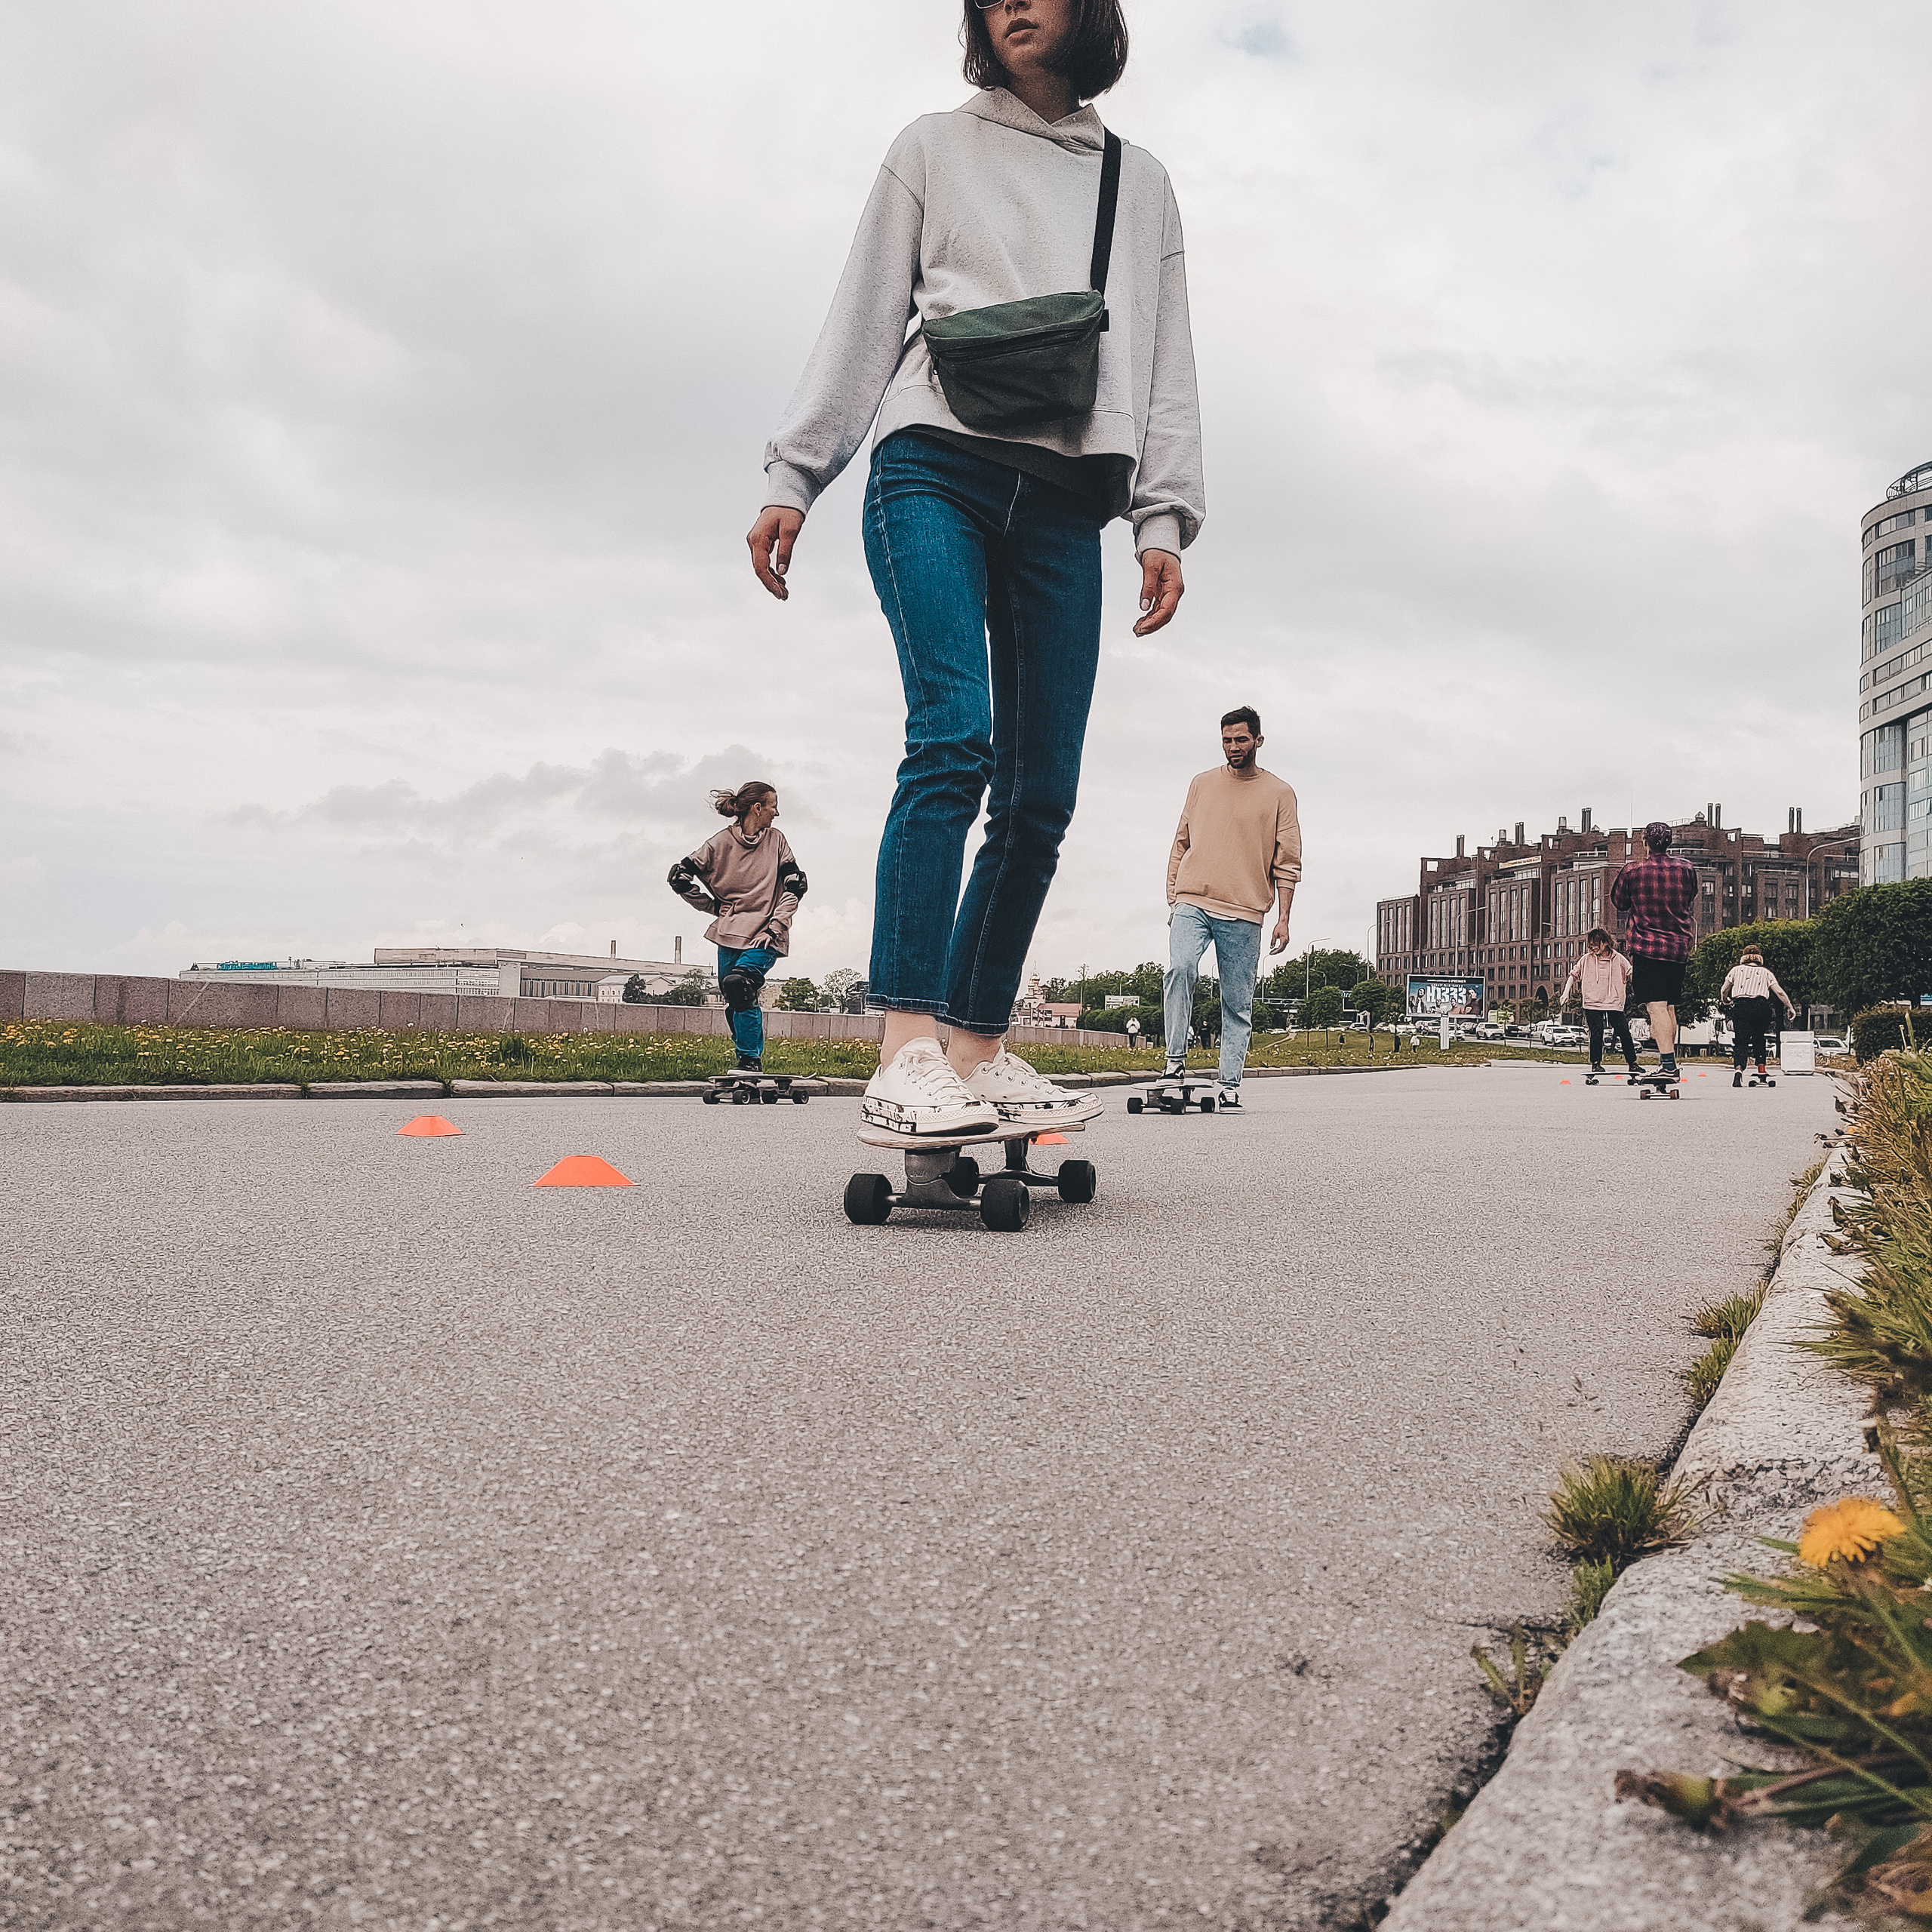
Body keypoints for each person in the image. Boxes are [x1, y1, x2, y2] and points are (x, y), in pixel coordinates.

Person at [747, 0, 1202, 1135]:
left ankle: (976, 1042)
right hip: (931, 469)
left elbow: (1165, 356)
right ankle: (905, 1045)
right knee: (952, 738)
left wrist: (1163, 519)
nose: (1011, 2)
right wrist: (794, 475)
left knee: (1041, 793)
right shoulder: (932, 147)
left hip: (1063, 499)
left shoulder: (1136, 184)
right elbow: (862, 315)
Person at [1161, 707, 1301, 1109]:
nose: (1233, 747)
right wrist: (1174, 894)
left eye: (1241, 739)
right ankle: (1174, 1061)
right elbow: (1181, 840)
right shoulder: (1202, 784)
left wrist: (1284, 918)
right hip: (1193, 899)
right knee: (1179, 968)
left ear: (1258, 740)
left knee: (1237, 999)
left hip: (1244, 910)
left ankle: (1229, 1082)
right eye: (1227, 740)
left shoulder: (1280, 793)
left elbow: (1287, 860)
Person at [667, 783, 808, 1074]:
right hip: (730, 933)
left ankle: (750, 1061)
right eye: (773, 806)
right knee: (735, 999)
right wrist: (712, 907)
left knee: (739, 984)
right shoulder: (720, 843)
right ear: (758, 808)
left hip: (767, 934)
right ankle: (745, 1057)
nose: (776, 813)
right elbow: (679, 877)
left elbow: (796, 887)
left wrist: (775, 927)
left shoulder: (776, 841)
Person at [1608, 820, 1698, 1082]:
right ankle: (1668, 1062)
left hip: (1648, 947)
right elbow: (1690, 896)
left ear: (1645, 843)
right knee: (1670, 1008)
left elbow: (1620, 902)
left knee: (1656, 1007)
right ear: (1669, 843)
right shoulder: (1686, 869)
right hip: (1679, 947)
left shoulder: (1633, 871)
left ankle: (1668, 1066)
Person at [1556, 927, 1638, 1078]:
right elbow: (1573, 975)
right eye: (1590, 944)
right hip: (1592, 1002)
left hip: (1614, 1001)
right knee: (1596, 1032)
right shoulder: (1586, 959)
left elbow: (1631, 973)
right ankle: (1596, 1063)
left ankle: (1633, 1063)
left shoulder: (1619, 959)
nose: (1592, 947)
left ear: (1606, 942)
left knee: (1623, 1032)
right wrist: (1565, 993)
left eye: (1596, 944)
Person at [1720, 943, 1796, 1088]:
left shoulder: (1736, 970)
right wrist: (1790, 1006)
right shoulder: (1766, 973)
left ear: (1744, 957)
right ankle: (1761, 1069)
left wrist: (1725, 999)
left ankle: (1739, 1070)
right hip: (1761, 1007)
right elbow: (1779, 992)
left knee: (1741, 1040)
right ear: (1759, 958)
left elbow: (1724, 989)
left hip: (1741, 1006)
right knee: (1759, 1038)